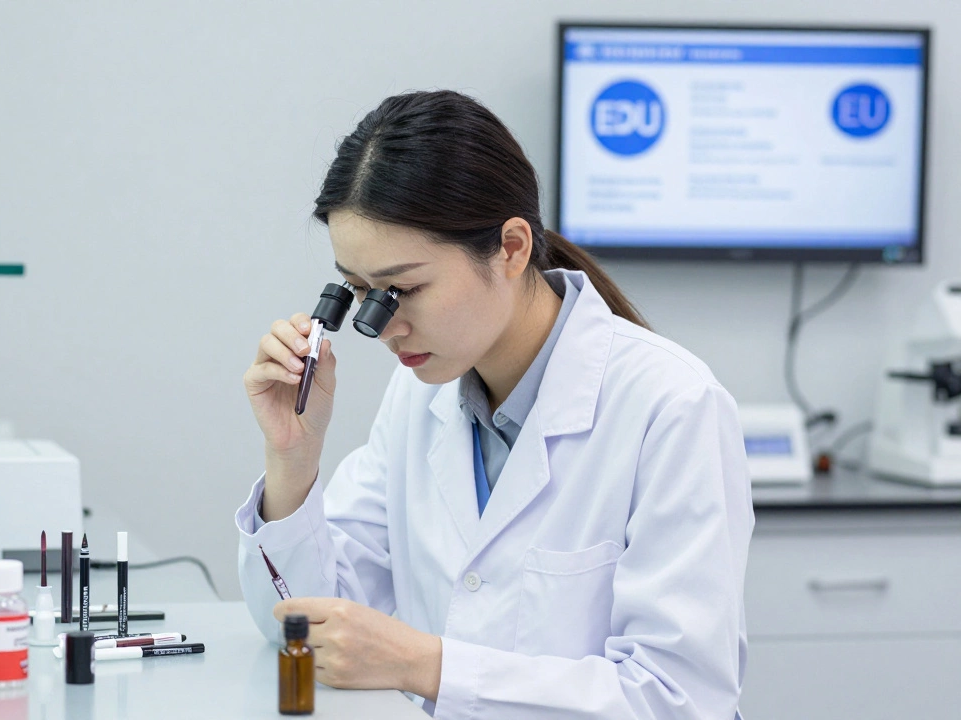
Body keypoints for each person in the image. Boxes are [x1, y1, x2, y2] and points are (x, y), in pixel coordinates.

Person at [236, 90, 753, 719]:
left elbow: (679, 699)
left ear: (510, 247)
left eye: (403, 289)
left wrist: (425, 665)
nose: (382, 326)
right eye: (359, 292)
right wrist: (293, 458)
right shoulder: (420, 394)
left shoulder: (670, 406)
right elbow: (305, 633)